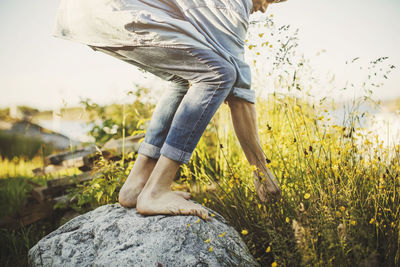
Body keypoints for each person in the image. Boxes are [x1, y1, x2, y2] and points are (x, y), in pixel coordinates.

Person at [52, 0, 284, 221]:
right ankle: (156, 191)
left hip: (87, 12)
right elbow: (239, 92)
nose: (264, 9)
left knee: (189, 74)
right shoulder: (229, 4)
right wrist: (261, 170)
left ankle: (137, 184)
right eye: (270, 0)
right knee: (218, 74)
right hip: (112, 10)